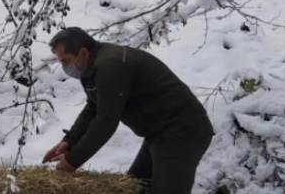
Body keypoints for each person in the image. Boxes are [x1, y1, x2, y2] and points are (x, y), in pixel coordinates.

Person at [42, 27, 214, 194]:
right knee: (134, 187)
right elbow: (94, 107)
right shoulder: (91, 67)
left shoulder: (110, 66)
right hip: (159, 133)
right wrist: (70, 140)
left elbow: (106, 122)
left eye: (65, 60)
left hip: (182, 131)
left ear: (84, 53)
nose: (64, 67)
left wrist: (72, 161)